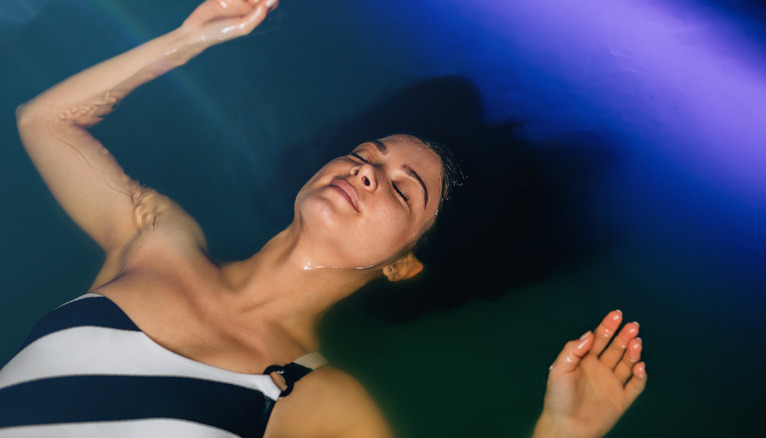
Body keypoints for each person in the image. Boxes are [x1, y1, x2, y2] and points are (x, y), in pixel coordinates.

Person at [1, 0, 647, 436]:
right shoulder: (157, 241)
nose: (368, 170)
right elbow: (46, 121)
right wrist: (191, 39)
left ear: (404, 263)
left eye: (403, 190)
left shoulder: (321, 402)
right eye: (368, 154)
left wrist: (562, 432)